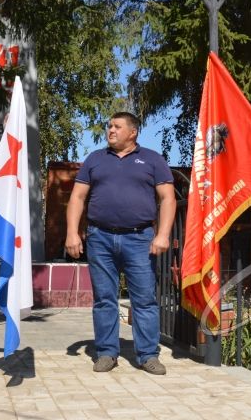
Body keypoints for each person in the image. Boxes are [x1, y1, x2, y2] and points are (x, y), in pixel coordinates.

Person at [64, 112, 176, 375]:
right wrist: (72, 233)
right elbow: (77, 197)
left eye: (117, 126)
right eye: (109, 126)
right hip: (99, 238)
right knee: (104, 299)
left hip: (139, 239)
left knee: (144, 299)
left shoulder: (152, 159)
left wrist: (163, 235)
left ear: (133, 132)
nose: (111, 130)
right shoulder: (95, 159)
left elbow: (168, 198)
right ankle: (106, 352)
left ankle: (148, 354)